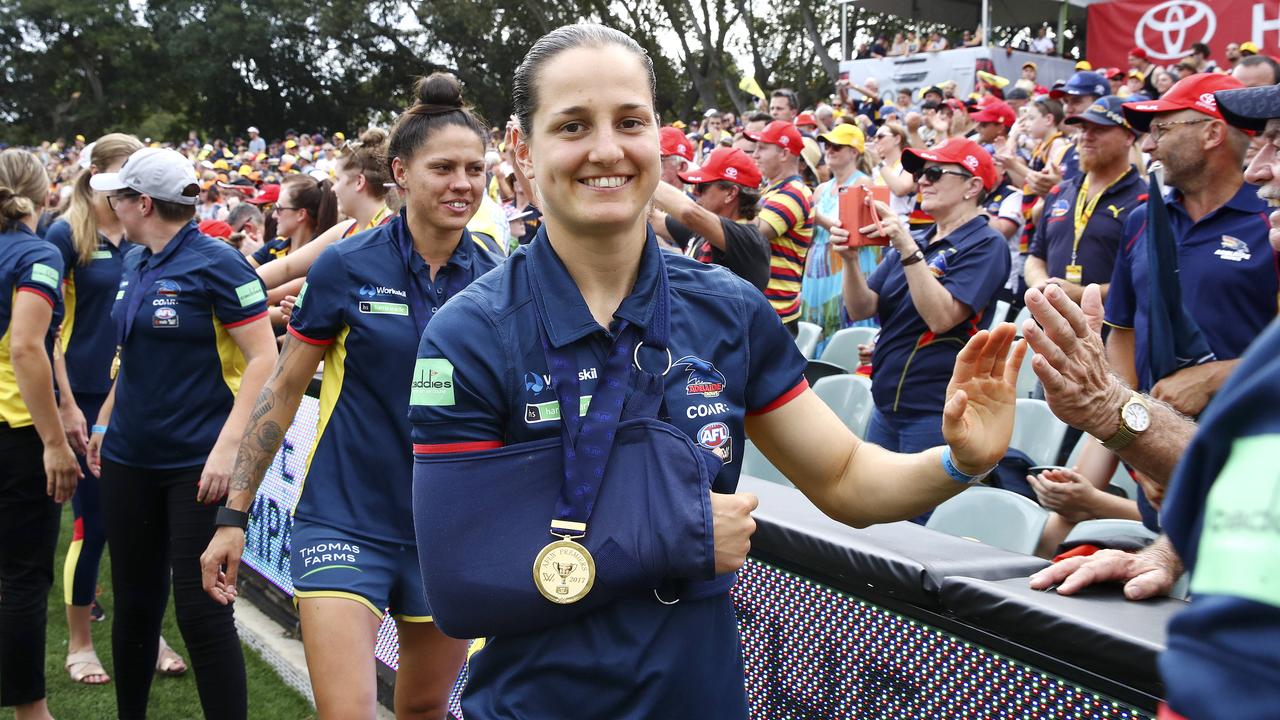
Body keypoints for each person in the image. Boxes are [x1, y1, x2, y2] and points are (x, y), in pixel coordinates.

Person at [407, 24, 1025, 718]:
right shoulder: (471, 332)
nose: (607, 149)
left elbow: (846, 477)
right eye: (573, 125)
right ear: (521, 150)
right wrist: (674, 532)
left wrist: (959, 462)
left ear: (658, 137)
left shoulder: (729, 309)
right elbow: (462, 587)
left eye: (630, 122)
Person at [199, 73, 495, 719]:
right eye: (443, 167)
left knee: (422, 710)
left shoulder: (500, 276)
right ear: (400, 173)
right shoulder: (347, 264)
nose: (463, 184)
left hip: (446, 533)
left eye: (475, 168)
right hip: (343, 519)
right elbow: (279, 393)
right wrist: (233, 517)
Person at [1017, 82, 1280, 705]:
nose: (1260, 166)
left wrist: (1194, 389)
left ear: (1211, 132)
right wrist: (1167, 539)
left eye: (1276, 145)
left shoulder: (1255, 222)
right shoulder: (1145, 220)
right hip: (1189, 488)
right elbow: (1122, 355)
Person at [84, 148, 277, 720]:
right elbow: (133, 354)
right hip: (129, 458)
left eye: (118, 194)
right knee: (136, 607)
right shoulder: (138, 260)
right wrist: (105, 419)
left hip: (195, 464)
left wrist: (226, 446)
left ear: (142, 203)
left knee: (201, 613)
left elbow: (264, 359)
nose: (110, 202)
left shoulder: (217, 262)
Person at [45, 132, 192, 685]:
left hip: (132, 397)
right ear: (100, 175)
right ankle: (80, 642)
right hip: (82, 397)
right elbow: (48, 329)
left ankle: (147, 629)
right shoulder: (65, 235)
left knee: (149, 527)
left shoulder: (144, 241)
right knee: (93, 524)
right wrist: (64, 403)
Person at [839, 139, 1011, 470]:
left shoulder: (988, 243)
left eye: (934, 172)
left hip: (935, 408)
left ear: (972, 186)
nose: (922, 181)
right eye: (919, 173)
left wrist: (905, 246)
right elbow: (862, 309)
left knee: (914, 521)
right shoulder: (918, 240)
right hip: (887, 402)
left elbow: (942, 318)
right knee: (877, 512)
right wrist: (849, 261)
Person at [1108, 73, 1273, 417]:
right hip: (1148, 450)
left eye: (1161, 131)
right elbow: (1123, 333)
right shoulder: (1142, 219)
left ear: (1212, 133)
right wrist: (1126, 432)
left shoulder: (1272, 224)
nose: (1148, 145)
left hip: (1247, 453)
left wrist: (1215, 378)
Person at [0, 148, 80, 720]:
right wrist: (55, 442)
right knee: (22, 577)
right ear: (44, 192)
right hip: (17, 433)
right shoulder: (37, 253)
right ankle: (32, 711)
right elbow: (27, 345)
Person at [1025, 96, 1144, 304]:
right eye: (1084, 129)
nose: (1087, 137)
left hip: (1106, 331)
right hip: (1049, 326)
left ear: (1128, 137)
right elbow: (1036, 256)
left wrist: (1083, 294)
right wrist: (1041, 285)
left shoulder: (1145, 201)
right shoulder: (1059, 192)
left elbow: (1143, 279)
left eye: (1099, 129)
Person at [650, 147, 770, 291]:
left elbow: (689, 213)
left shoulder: (750, 241)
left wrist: (643, 176)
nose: (695, 193)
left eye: (701, 187)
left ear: (731, 193)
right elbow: (653, 218)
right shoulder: (703, 231)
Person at [805, 124, 875, 342]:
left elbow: (855, 234)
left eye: (837, 146)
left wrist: (817, 217)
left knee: (844, 321)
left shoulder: (863, 183)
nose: (829, 150)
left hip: (847, 265)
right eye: (827, 145)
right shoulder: (821, 189)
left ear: (854, 152)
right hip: (817, 269)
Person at [746, 120, 814, 334]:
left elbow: (751, 234)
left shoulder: (794, 191)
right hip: (764, 308)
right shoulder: (772, 190)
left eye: (762, 148)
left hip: (774, 313)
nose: (755, 154)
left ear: (784, 154)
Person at [247, 174, 338, 269]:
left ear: (301, 214)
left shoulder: (322, 259)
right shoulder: (275, 245)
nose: (274, 215)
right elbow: (239, 270)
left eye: (279, 208)